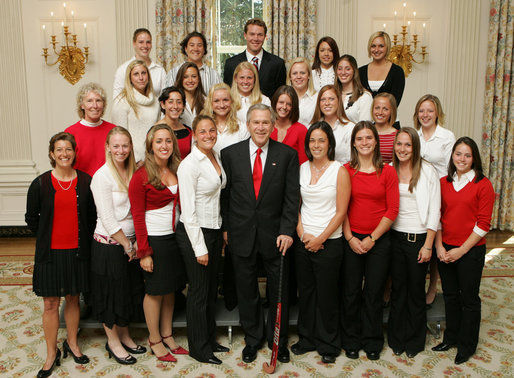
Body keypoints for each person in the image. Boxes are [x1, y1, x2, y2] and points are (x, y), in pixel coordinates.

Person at [221, 104, 299, 364]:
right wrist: (226, 229)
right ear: (248, 124)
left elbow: (291, 198)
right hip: (241, 235)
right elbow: (226, 195)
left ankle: (278, 340)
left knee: (279, 293)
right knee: (247, 291)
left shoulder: (287, 155)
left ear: (273, 124)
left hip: (276, 237)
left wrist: (288, 231)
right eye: (256, 122)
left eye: (266, 122)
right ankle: (253, 339)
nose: (261, 127)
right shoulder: (229, 154)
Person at [26, 132, 96, 378]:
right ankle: (51, 353)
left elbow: (92, 218)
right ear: (51, 154)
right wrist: (48, 238)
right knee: (50, 303)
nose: (64, 154)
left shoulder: (86, 182)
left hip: (77, 253)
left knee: (74, 298)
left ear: (74, 153)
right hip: (50, 255)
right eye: (59, 149)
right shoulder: (41, 184)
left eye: (68, 149)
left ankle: (73, 343)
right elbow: (31, 219)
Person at [432, 137, 495, 365]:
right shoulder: (443, 182)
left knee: (468, 299)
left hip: (470, 250)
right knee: (450, 296)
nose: (462, 159)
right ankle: (451, 338)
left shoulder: (483, 184)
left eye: (467, 155)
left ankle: (467, 345)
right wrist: (439, 245)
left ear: (474, 158)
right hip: (445, 248)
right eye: (458, 154)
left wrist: (461, 250)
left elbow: (483, 224)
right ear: (452, 157)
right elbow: (436, 217)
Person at [128, 124, 188, 362]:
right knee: (154, 291)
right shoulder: (141, 175)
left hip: (175, 238)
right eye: (159, 141)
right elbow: (137, 216)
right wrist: (144, 252)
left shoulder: (177, 169)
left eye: (168, 141)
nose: (164, 146)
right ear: (150, 146)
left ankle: (167, 334)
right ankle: (154, 339)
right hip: (155, 240)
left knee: (171, 288)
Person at [293, 121, 351, 364]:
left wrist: (320, 239)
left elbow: (341, 212)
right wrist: (301, 232)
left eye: (321, 140)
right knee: (306, 293)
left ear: (330, 144)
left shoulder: (340, 171)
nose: (316, 145)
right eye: (312, 141)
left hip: (329, 242)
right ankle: (307, 338)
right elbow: (295, 206)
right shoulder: (302, 168)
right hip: (304, 241)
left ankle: (328, 343)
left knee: (327, 295)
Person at [341, 121, 399, 361]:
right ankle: (351, 340)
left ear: (376, 142)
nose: (364, 143)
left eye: (369, 138)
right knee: (351, 292)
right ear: (354, 143)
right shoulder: (345, 170)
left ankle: (372, 340)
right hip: (351, 239)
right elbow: (340, 208)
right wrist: (350, 238)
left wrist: (372, 238)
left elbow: (392, 210)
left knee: (374, 293)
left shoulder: (388, 171)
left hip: (379, 241)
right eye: (360, 138)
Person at [90, 127, 146, 365]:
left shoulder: (135, 171)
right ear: (108, 148)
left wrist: (135, 243)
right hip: (111, 245)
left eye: (125, 145)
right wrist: (126, 244)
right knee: (111, 295)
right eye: (116, 146)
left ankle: (124, 335)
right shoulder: (102, 176)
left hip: (131, 243)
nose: (121, 150)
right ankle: (113, 341)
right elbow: (107, 217)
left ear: (131, 147)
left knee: (127, 292)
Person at [176, 115, 230, 365]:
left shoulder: (215, 156)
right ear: (194, 135)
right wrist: (200, 248)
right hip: (194, 233)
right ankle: (198, 348)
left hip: (214, 230)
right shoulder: (189, 165)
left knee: (210, 292)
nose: (208, 134)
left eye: (212, 130)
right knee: (198, 292)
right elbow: (188, 212)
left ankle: (209, 339)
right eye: (202, 131)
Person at [388, 127, 440, 358]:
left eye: (408, 145)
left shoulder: (428, 171)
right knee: (398, 290)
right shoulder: (389, 169)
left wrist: (428, 244)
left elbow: (435, 210)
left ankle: (415, 341)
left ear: (415, 147)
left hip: (418, 239)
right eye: (399, 144)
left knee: (415, 291)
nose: (403, 149)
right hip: (394, 237)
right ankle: (397, 339)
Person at [413, 94, 456, 307]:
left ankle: (432, 286)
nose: (425, 115)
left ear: (437, 112)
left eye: (429, 110)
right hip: (417, 192)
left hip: (441, 190)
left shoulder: (447, 136)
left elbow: (452, 168)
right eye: (422, 111)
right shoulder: (415, 136)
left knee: (437, 234)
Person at [223, 18, 286, 99]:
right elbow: (227, 95)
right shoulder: (231, 64)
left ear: (265, 37)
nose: (256, 39)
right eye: (252, 34)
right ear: (245, 35)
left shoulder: (277, 64)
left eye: (260, 35)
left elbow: (280, 96)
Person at [111, 60, 161, 163]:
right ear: (130, 78)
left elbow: (157, 132)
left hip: (153, 160)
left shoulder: (155, 101)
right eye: (136, 74)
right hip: (132, 161)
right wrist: (134, 160)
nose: (141, 78)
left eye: (143, 73)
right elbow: (120, 137)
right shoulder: (121, 102)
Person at [65, 83, 115, 177]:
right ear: (82, 105)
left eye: (98, 100)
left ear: (103, 105)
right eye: (89, 101)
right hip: (81, 186)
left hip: (109, 184)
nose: (95, 105)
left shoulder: (113, 130)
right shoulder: (70, 132)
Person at [359, 31, 405, 123]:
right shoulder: (360, 72)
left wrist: (370, 96)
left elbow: (394, 102)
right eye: (373, 46)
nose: (376, 50)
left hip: (390, 123)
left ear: (387, 47)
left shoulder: (397, 72)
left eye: (381, 46)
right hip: (366, 123)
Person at [113, 28, 166, 99]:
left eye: (148, 42)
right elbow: (117, 99)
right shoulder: (123, 69)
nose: (145, 46)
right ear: (134, 44)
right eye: (141, 42)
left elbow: (165, 100)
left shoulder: (160, 71)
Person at [310, 85, 354, 164]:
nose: (327, 103)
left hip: (342, 173)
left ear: (339, 101)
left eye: (331, 99)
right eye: (323, 100)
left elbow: (352, 161)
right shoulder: (312, 128)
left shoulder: (349, 128)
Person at [201, 83, 249, 154]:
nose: (222, 105)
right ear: (210, 103)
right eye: (216, 101)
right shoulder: (202, 127)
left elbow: (244, 156)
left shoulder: (242, 128)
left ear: (231, 102)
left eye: (225, 100)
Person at [270, 85, 308, 164]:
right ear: (275, 103)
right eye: (281, 102)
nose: (284, 107)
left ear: (293, 107)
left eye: (289, 104)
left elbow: (304, 163)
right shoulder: (266, 127)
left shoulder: (301, 130)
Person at [335, 54, 373, 124]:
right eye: (340, 69)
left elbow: (365, 128)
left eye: (347, 69)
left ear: (354, 71)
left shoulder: (364, 97)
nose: (343, 72)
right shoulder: (332, 95)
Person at [158, 86, 193, 159]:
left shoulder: (188, 132)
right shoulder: (155, 131)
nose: (175, 106)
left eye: (179, 102)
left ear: (183, 106)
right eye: (171, 102)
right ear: (163, 104)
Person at [287, 57, 318, 127]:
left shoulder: (317, 98)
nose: (298, 77)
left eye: (302, 73)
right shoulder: (283, 98)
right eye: (294, 73)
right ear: (290, 77)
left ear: (309, 75)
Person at [174, 62, 206, 127]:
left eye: (194, 76)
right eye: (185, 77)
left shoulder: (206, 101)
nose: (190, 80)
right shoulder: (173, 101)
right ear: (180, 79)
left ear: (199, 79)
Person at [372, 92, 398, 164]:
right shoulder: (365, 132)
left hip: (388, 173)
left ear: (392, 111)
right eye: (377, 108)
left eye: (385, 109)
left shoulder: (397, 136)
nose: (380, 112)